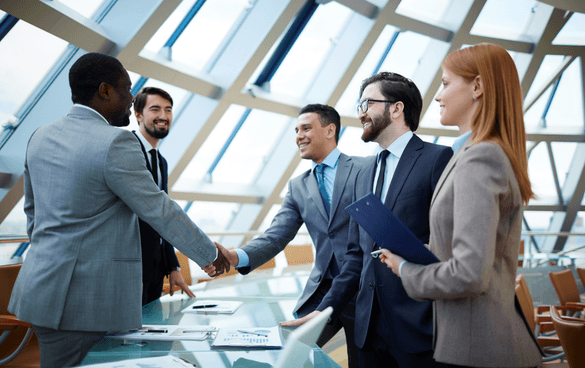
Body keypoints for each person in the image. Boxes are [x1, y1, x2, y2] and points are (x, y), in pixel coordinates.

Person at [8, 52, 230, 368]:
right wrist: (209, 253)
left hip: (39, 289)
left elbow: (33, 213)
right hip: (86, 302)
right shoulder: (115, 142)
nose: (130, 99)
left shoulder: (39, 136)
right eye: (126, 89)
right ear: (105, 90)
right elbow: (159, 209)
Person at [378, 43, 543, 367]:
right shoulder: (479, 154)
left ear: (478, 87)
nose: (438, 96)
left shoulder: (481, 157)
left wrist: (406, 269)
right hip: (479, 345)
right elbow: (474, 254)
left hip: (480, 351)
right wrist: (422, 251)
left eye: (445, 83)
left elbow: (469, 274)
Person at [282, 72, 453, 368]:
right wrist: (324, 310)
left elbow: (450, 243)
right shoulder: (365, 172)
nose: (360, 113)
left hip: (418, 328)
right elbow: (354, 256)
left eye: (366, 104)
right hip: (368, 333)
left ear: (396, 109)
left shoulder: (437, 159)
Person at [210, 104, 366, 368]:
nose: (299, 136)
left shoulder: (366, 168)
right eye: (296, 130)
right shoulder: (298, 186)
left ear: (330, 130)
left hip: (364, 288)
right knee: (292, 356)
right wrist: (236, 256)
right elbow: (276, 235)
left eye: (306, 128)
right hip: (321, 289)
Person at [132, 87, 195, 305]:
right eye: (155, 109)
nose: (163, 116)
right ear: (138, 114)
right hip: (131, 267)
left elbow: (163, 217)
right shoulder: (126, 150)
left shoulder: (161, 161)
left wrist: (172, 267)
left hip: (155, 266)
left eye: (168, 110)